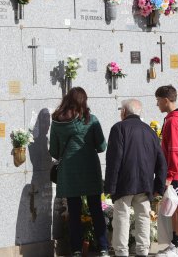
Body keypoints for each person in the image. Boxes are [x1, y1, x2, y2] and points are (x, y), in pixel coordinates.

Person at [49, 87, 109, 257]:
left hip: (68, 172)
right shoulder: (91, 120)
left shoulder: (57, 122)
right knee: (96, 209)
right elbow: (102, 146)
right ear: (84, 101)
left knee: (74, 213)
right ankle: (103, 248)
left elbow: (53, 151)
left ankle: (76, 250)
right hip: (90, 169)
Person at [104, 99, 167, 257]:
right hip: (145, 183)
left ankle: (121, 252)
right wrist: (159, 187)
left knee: (121, 218)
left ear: (124, 112)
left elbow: (114, 159)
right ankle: (143, 251)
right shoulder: (149, 131)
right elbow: (161, 161)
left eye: (121, 110)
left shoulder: (118, 128)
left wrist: (110, 187)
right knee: (143, 217)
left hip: (124, 182)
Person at [155, 85, 178, 257]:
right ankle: (175, 245)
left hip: (176, 172)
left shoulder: (174, 121)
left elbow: (175, 151)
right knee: (175, 207)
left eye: (158, 100)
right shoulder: (172, 119)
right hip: (174, 171)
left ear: (166, 100)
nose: (157, 104)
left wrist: (169, 175)